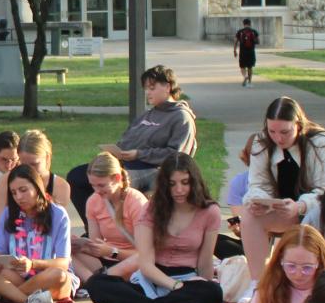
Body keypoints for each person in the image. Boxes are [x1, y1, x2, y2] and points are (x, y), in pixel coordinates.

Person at [84, 153, 224, 303]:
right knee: (97, 284)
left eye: (185, 182)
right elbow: (145, 263)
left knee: (213, 293)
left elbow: (205, 262)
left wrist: (201, 291)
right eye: (172, 184)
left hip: (186, 279)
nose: (179, 190)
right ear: (164, 185)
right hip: (150, 277)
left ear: (194, 182)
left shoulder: (210, 211)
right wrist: (173, 286)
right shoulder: (152, 209)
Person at [239, 97, 325, 273]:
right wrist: (258, 201)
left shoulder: (321, 142)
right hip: (284, 212)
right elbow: (258, 184)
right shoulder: (262, 142)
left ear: (299, 125)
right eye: (272, 131)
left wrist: (301, 206)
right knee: (249, 217)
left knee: (318, 213)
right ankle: (258, 283)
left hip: (322, 212)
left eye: (285, 132)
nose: (278, 138)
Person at [66, 65, 195, 204]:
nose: (147, 93)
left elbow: (177, 156)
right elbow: (125, 141)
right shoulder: (147, 115)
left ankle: (112, 220)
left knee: (107, 182)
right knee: (76, 176)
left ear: (168, 87)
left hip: (152, 169)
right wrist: (114, 152)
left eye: (152, 88)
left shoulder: (181, 117)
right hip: (125, 164)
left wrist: (138, 154)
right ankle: (93, 223)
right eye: (146, 89)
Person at [0, 166, 75, 303]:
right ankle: (26, 300)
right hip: (17, 276)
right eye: (13, 193)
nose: (18, 197)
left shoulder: (58, 214)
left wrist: (33, 264)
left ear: (38, 187)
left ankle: (4, 295)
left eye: (23, 190)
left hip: (46, 278)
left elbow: (63, 263)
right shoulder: (8, 213)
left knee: (59, 275)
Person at [72, 154, 148, 280]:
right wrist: (82, 245)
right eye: (93, 185)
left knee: (136, 263)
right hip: (106, 259)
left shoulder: (136, 202)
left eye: (101, 185)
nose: (96, 190)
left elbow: (145, 254)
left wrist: (111, 252)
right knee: (65, 253)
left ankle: (99, 282)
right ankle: (96, 282)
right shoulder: (93, 201)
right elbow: (96, 244)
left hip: (133, 261)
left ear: (117, 178)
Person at [15, 130, 73, 213]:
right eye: (24, 165)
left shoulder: (60, 187)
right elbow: (1, 220)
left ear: (47, 158)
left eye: (34, 164)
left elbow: (58, 222)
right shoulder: (8, 181)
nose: (29, 170)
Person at [233, 18, 260, 87]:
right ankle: (250, 82)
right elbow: (258, 42)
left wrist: (235, 51)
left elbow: (235, 42)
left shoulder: (240, 32)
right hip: (251, 52)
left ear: (243, 24)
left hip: (242, 52)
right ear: (250, 24)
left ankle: (245, 76)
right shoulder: (254, 31)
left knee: (242, 66)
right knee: (250, 67)